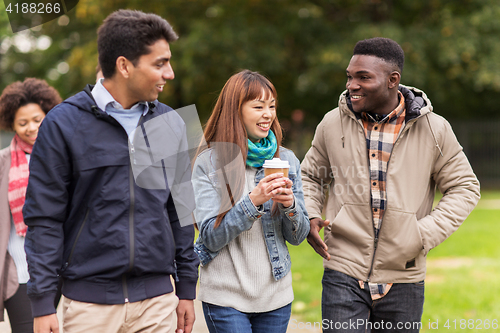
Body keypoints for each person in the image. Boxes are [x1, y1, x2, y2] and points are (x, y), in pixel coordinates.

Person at [23, 9, 199, 333]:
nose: (170, 73)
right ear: (124, 65)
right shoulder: (62, 124)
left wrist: (187, 287)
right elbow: (44, 219)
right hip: (89, 306)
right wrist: (43, 302)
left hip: (158, 301)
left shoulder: (172, 122)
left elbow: (182, 212)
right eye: (160, 63)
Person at [301, 37, 480, 332]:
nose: (351, 85)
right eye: (349, 76)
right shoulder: (332, 124)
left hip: (404, 277)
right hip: (343, 270)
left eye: (363, 77)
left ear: (392, 80)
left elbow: (465, 187)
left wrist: (421, 235)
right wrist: (309, 214)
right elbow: (310, 176)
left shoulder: (435, 129)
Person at [193, 70, 310, 333]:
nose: (268, 114)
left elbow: (298, 237)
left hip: (276, 299)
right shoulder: (209, 163)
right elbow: (210, 238)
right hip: (225, 299)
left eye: (271, 106)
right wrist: (253, 201)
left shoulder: (287, 161)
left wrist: (291, 206)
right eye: (258, 106)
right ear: (235, 110)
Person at [0, 78, 62, 333]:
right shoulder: (3, 161)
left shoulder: (63, 156)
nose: (31, 128)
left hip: (60, 267)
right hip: (20, 271)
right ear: (11, 124)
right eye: (22, 123)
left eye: (37, 119)